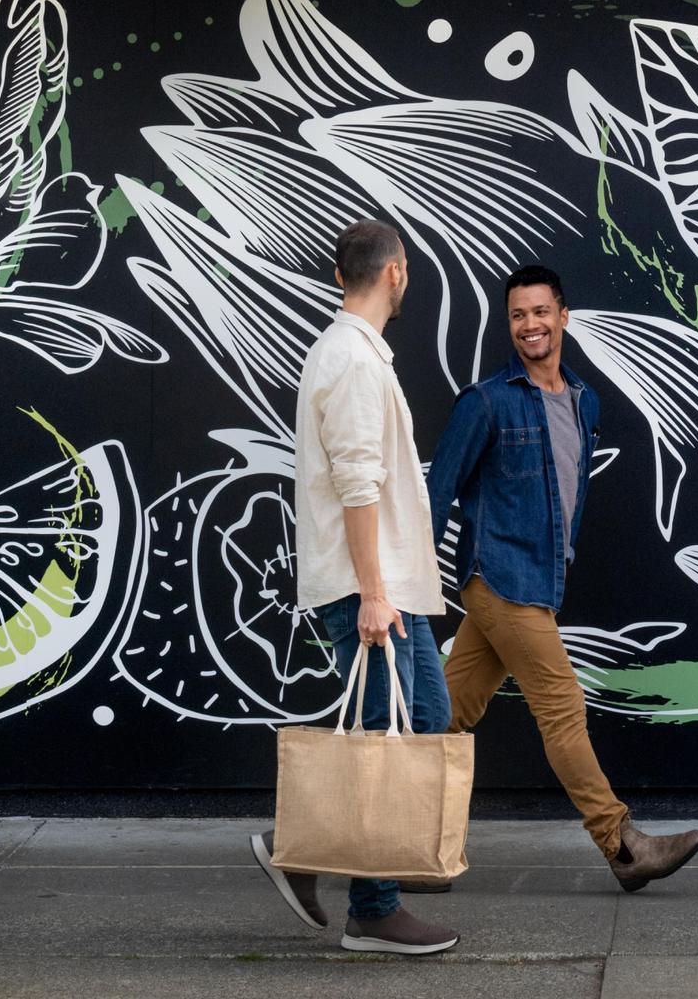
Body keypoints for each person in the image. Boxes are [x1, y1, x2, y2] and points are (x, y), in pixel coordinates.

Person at [427, 264, 698, 892]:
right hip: (498, 577)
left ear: (564, 316)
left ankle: (357, 837)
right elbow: (437, 492)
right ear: (511, 325)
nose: (531, 325)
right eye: (519, 315)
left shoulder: (584, 401)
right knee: (562, 708)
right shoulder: (487, 402)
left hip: (538, 578)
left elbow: (565, 495)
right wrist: (413, 588)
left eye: (541, 312)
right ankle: (622, 843)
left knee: (442, 716)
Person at [249, 220, 459, 955]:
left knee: (426, 714)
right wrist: (373, 592)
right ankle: (372, 909)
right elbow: (358, 481)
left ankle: (303, 847)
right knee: (385, 736)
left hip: (396, 583)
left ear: (346, 274)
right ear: (396, 272)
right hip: (374, 587)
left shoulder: (358, 354)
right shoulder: (352, 361)